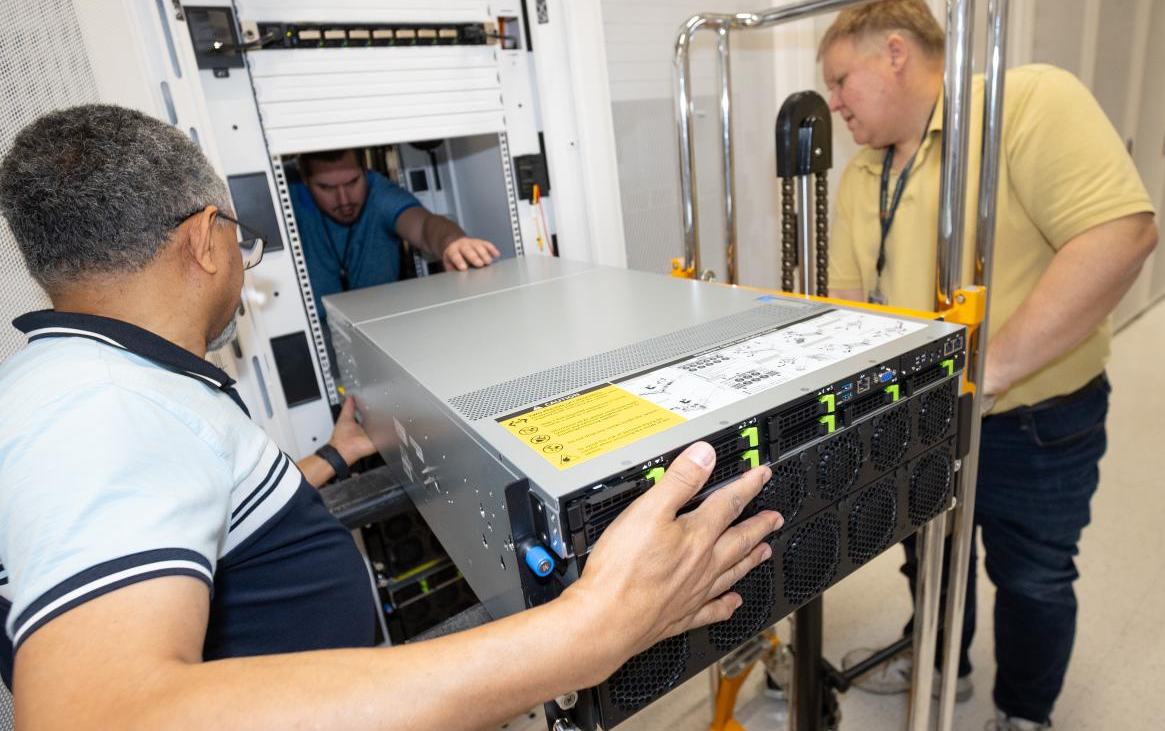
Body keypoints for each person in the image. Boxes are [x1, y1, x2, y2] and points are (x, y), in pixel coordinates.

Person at [0, 105, 783, 728]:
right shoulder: (99, 408)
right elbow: (99, 714)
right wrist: (588, 634)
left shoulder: (105, 381)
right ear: (206, 239)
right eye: (241, 236)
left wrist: (335, 456)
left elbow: (200, 512)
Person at [818, 0, 1157, 730]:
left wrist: (986, 373)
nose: (834, 102)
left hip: (1032, 418)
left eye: (841, 80)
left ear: (896, 53)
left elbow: (1119, 236)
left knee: (1033, 576)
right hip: (916, 414)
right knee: (930, 554)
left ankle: (1024, 714)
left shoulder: (1026, 103)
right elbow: (847, 301)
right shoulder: (861, 177)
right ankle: (944, 663)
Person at [290, 148, 501, 320]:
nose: (344, 199)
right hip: (313, 336)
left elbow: (424, 225)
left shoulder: (381, 195)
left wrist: (452, 242)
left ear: (366, 170)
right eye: (326, 188)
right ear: (305, 180)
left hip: (381, 329)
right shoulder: (287, 199)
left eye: (352, 182)